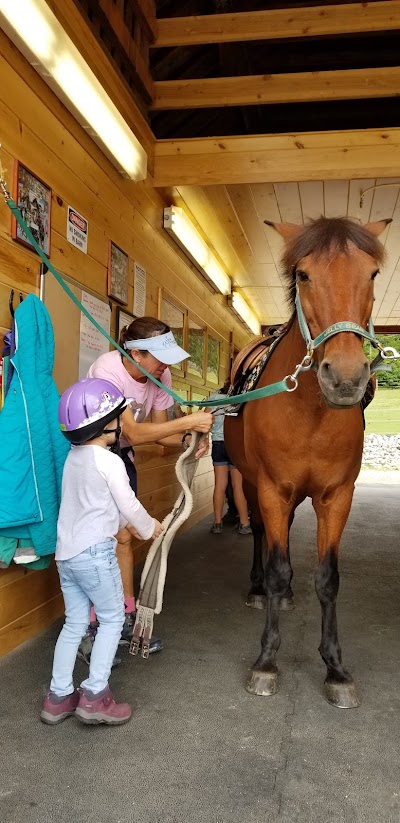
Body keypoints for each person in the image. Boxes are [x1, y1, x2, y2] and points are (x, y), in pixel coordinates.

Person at [81, 317, 212, 658]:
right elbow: (133, 433)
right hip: (91, 456)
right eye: (159, 356)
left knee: (123, 536)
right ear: (136, 354)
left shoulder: (160, 375)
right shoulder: (107, 371)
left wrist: (187, 439)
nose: (166, 364)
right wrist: (189, 421)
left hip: (121, 455)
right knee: (107, 538)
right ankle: (94, 622)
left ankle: (123, 616)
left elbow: (160, 433)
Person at [41, 378, 164, 726]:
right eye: (117, 417)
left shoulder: (73, 458)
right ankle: (95, 694)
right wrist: (149, 526)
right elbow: (128, 504)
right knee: (111, 619)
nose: (121, 422)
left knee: (75, 623)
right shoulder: (110, 462)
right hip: (95, 554)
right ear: (104, 424)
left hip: (67, 555)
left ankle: (58, 696)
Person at [208, 380, 251, 535]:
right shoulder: (240, 399)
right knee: (238, 485)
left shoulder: (213, 398)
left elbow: (205, 420)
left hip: (218, 444)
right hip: (234, 445)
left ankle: (217, 523)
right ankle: (244, 524)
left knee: (219, 485)